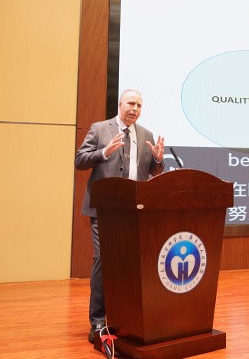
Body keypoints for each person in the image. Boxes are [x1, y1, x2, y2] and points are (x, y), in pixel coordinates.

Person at [75, 89, 165, 343]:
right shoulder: (100, 129)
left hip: (134, 211)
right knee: (104, 259)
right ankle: (98, 321)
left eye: (139, 105)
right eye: (131, 103)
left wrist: (158, 161)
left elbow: (153, 171)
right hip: (104, 209)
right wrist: (103, 153)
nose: (135, 109)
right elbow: (80, 160)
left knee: (130, 263)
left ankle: (125, 318)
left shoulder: (146, 135)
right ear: (120, 104)